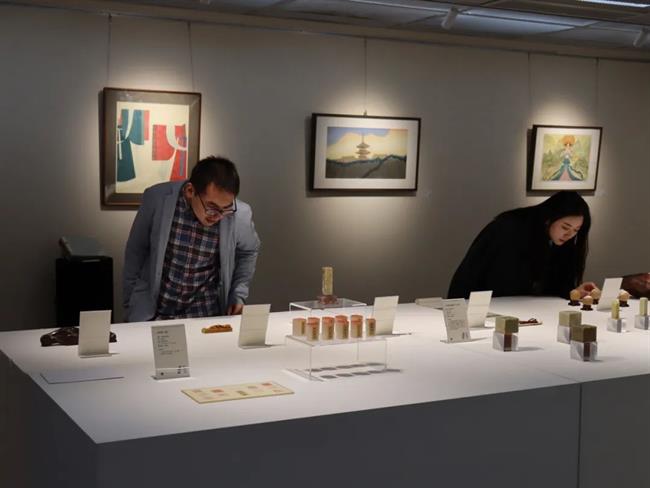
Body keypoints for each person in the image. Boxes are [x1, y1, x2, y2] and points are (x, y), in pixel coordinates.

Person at [123, 156, 260, 322]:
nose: (218, 216)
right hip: (155, 312)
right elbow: (136, 250)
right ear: (190, 191)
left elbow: (249, 251)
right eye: (211, 207)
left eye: (225, 209)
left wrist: (238, 293)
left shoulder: (239, 214)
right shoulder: (157, 199)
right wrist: (130, 301)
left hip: (206, 312)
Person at [447, 191, 596, 299]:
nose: (569, 235)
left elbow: (553, 284)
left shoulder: (559, 242)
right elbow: (476, 276)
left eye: (576, 230)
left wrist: (574, 292)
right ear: (549, 219)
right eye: (565, 227)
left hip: (516, 306)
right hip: (482, 301)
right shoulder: (510, 229)